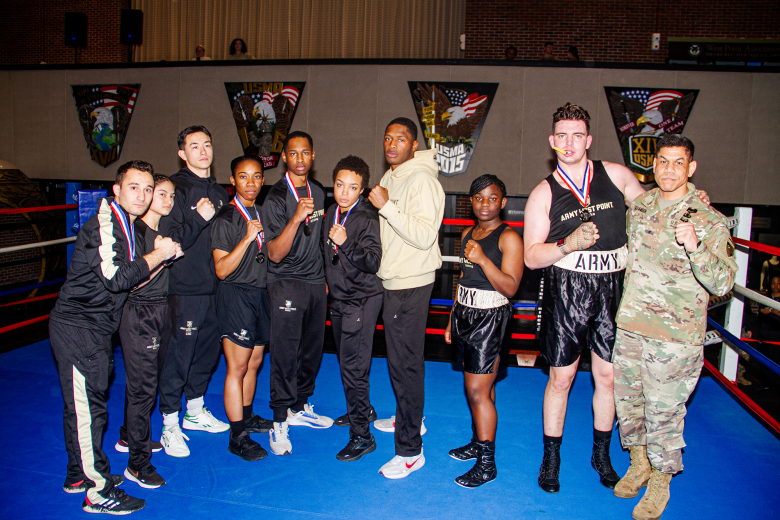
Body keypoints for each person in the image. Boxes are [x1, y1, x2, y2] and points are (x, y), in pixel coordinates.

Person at [524, 102, 647, 493]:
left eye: (577, 135)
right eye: (562, 135)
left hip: (613, 286)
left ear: (588, 139)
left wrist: (687, 197)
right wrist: (565, 244)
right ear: (552, 141)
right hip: (568, 289)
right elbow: (530, 256)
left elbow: (653, 210)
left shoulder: (617, 175)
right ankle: (551, 457)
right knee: (561, 377)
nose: (570, 142)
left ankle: (601, 453)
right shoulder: (544, 193)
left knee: (607, 376)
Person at [612, 134, 737, 520]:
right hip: (631, 327)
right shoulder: (641, 207)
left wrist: (697, 247)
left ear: (691, 168)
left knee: (664, 412)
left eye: (678, 162)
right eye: (663, 161)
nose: (669, 169)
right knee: (629, 406)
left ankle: (661, 481)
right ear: (654, 165)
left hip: (676, 338)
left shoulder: (710, 221)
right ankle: (639, 464)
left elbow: (723, 284)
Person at [51, 160, 178, 514]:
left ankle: (78, 474)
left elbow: (131, 281)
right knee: (88, 412)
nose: (142, 195)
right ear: (117, 190)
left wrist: (161, 260)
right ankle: (97, 490)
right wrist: (158, 254)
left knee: (86, 408)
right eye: (134, 187)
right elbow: (116, 277)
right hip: (78, 327)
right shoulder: (105, 223)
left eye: (147, 188)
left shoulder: (127, 225)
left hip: (96, 328)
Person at [369, 117, 445, 479]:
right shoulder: (392, 176)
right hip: (394, 278)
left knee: (406, 363)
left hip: (412, 282)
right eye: (388, 138)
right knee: (400, 360)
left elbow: (424, 235)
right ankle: (408, 416)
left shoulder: (423, 180)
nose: (393, 143)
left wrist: (386, 206)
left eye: (401, 139)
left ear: (414, 145)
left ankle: (411, 451)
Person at [444, 175, 523, 488]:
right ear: (471, 202)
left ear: (502, 202)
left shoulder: (509, 239)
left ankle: (487, 465)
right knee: (482, 388)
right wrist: (452, 318)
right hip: (465, 314)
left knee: (477, 390)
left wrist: (484, 259)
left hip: (491, 318)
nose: (485, 204)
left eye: (492, 198)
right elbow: (463, 278)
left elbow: (511, 287)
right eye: (479, 198)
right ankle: (479, 442)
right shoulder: (467, 233)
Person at [157, 126, 231, 457]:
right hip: (185, 289)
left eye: (207, 144)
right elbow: (171, 242)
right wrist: (199, 218)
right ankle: (169, 423)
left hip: (216, 286)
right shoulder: (176, 189)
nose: (202, 151)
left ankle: (195, 411)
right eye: (194, 146)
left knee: (206, 354)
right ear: (182, 153)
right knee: (179, 356)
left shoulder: (219, 191)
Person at [263, 131, 333, 456]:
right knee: (285, 353)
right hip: (286, 282)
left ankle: (300, 406)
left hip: (315, 283)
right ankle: (278, 420)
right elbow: (275, 253)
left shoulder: (319, 191)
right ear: (286, 159)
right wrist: (295, 218)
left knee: (312, 352)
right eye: (294, 153)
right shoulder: (276, 198)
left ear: (313, 156)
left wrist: (325, 279)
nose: (300, 159)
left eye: (306, 153)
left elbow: (320, 240)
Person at [117, 174, 181, 489]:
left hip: (158, 309)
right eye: (161, 194)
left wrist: (165, 257)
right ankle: (137, 464)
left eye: (171, 196)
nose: (167, 201)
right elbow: (131, 281)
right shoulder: (138, 231)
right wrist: (161, 257)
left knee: (146, 383)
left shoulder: (155, 231)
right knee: (143, 388)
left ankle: (128, 436)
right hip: (140, 312)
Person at [211, 155, 272, 461]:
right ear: (233, 180)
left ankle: (246, 417)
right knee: (236, 367)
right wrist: (248, 239)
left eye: (257, 176)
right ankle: (237, 436)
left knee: (254, 362)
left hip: (259, 295)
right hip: (235, 295)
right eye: (244, 177)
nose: (251, 183)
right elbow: (221, 269)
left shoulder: (259, 210)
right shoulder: (226, 218)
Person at [322, 155, 383, 462]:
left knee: (354, 368)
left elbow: (373, 262)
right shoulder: (332, 211)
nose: (344, 192)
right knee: (348, 363)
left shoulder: (367, 217)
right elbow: (326, 255)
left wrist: (346, 243)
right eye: (340, 185)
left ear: (362, 189)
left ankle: (362, 436)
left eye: (353, 187)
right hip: (340, 298)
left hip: (362, 298)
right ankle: (364, 409)